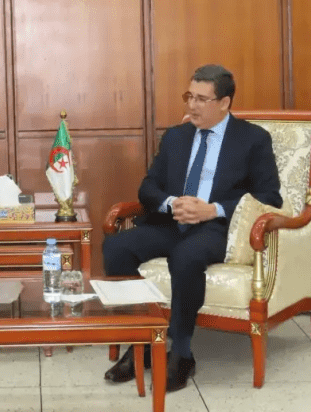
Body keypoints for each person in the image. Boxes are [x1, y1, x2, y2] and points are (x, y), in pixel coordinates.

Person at [102, 64, 281, 392]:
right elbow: (148, 187)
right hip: (170, 223)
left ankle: (181, 352)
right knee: (117, 246)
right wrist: (172, 203)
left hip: (215, 228)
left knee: (186, 256)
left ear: (224, 103)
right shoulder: (176, 136)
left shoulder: (253, 139)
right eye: (189, 97)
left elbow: (270, 196)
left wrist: (213, 209)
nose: (192, 105)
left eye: (201, 99)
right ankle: (140, 342)